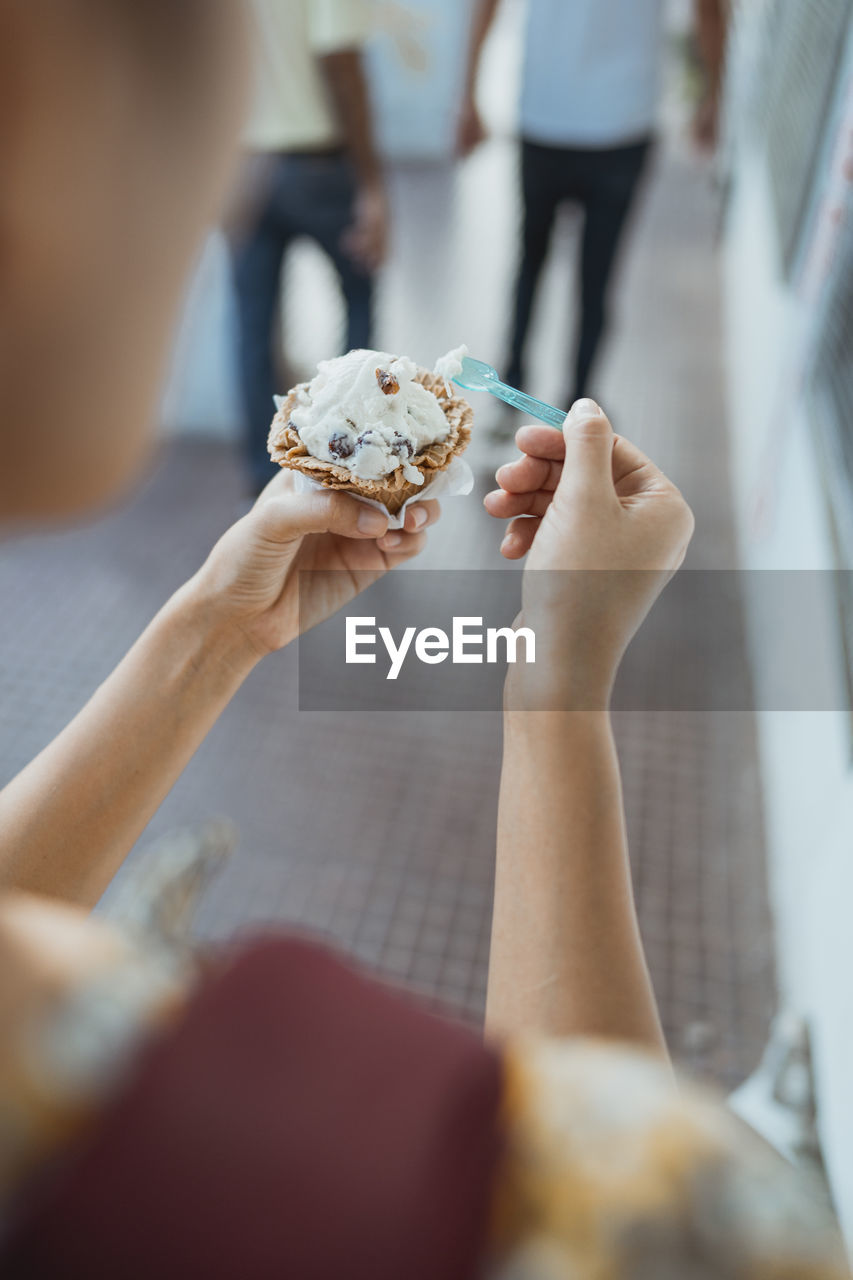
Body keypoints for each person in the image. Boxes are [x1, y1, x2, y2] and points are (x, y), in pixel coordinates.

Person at [0, 1, 847, 1275]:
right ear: (40, 121)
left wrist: (215, 627)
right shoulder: (701, 1220)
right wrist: (557, 675)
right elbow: (608, 1188)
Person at [458, 0, 728, 414]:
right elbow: (708, 9)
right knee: (596, 274)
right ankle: (579, 402)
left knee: (532, 260)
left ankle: (511, 389)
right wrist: (715, 94)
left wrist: (467, 92)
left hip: (548, 113)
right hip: (620, 121)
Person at [228, 0, 388, 495]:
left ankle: (263, 480)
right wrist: (372, 183)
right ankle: (346, 467)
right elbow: (340, 61)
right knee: (359, 302)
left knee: (252, 327)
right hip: (319, 166)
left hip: (244, 168)